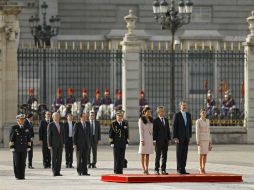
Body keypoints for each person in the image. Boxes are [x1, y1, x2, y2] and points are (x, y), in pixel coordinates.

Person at [9, 114, 31, 180]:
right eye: (21, 119)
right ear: (18, 120)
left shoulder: (26, 128)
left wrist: (28, 146)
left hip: (24, 148)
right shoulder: (14, 128)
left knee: (23, 162)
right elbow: (11, 138)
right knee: (17, 162)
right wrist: (12, 147)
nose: (23, 120)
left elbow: (28, 138)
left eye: (23, 119)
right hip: (16, 148)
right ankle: (18, 176)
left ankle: (22, 175)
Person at [173, 100, 192, 175]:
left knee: (184, 153)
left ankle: (183, 169)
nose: (184, 107)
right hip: (179, 138)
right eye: (183, 105)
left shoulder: (188, 115)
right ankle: (179, 169)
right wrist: (175, 137)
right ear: (180, 106)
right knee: (179, 153)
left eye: (185, 105)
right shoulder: (177, 115)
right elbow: (174, 127)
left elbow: (189, 126)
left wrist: (189, 136)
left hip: (186, 137)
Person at [109, 110, 129, 174]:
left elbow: (127, 134)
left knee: (121, 158)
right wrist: (111, 142)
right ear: (116, 116)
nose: (120, 117)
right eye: (118, 116)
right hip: (116, 143)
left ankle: (120, 171)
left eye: (121, 116)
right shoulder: (113, 123)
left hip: (123, 143)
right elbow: (110, 133)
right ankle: (116, 171)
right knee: (116, 158)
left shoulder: (125, 123)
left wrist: (127, 142)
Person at [153, 106, 171, 175]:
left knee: (164, 156)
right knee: (158, 156)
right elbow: (154, 131)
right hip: (158, 141)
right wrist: (154, 140)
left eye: (163, 111)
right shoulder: (156, 120)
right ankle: (156, 169)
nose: (163, 112)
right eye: (161, 111)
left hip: (165, 141)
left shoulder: (166, 120)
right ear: (158, 112)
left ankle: (163, 169)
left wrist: (169, 139)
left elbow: (168, 130)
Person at [47, 112, 65, 176]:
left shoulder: (61, 124)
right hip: (53, 144)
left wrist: (63, 143)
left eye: (58, 116)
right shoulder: (50, 125)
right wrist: (49, 144)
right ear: (53, 117)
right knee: (54, 158)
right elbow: (49, 135)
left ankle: (58, 171)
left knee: (59, 158)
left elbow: (63, 134)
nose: (57, 117)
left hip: (60, 144)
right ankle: (54, 171)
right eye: (56, 116)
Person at [196, 108, 212, 174]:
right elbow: (197, 132)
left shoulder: (208, 120)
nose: (204, 114)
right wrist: (197, 140)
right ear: (200, 114)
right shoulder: (198, 121)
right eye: (202, 112)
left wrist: (210, 141)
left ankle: (203, 167)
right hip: (201, 139)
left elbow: (209, 131)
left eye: (205, 113)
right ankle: (200, 168)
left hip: (206, 139)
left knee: (205, 154)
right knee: (201, 154)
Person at [138, 106, 153, 175]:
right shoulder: (141, 119)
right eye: (148, 112)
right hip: (144, 138)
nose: (149, 113)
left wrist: (153, 140)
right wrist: (142, 140)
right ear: (144, 112)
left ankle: (147, 168)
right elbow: (140, 130)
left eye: (150, 112)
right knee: (143, 154)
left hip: (150, 138)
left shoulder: (151, 119)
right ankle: (143, 168)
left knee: (148, 154)